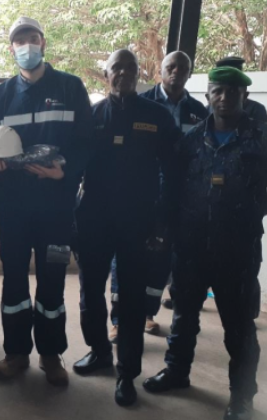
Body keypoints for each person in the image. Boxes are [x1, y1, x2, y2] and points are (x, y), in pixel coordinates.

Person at [143, 66, 265, 420]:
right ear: (208, 95)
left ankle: (241, 398)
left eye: (232, 92)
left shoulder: (260, 139)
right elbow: (172, 187)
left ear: (244, 96)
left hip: (237, 249)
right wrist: (164, 228)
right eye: (217, 91)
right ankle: (177, 371)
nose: (224, 98)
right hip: (191, 245)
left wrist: (251, 211)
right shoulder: (192, 139)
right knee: (183, 316)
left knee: (238, 328)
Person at [0, 16, 93, 386]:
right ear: (11, 48)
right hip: (13, 208)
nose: (26, 46)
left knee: (52, 282)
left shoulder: (70, 87)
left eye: (32, 38)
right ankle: (16, 353)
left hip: (56, 209)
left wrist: (66, 172)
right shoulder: (1, 96)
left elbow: (86, 141)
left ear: (43, 43)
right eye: (20, 41)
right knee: (14, 282)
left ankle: (50, 353)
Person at [72, 49, 178, 407]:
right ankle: (99, 351)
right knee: (90, 291)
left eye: (131, 68)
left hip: (138, 221)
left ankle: (127, 373)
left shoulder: (157, 116)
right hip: (94, 219)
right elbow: (74, 166)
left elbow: (173, 171)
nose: (124, 73)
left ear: (138, 74)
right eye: (117, 67)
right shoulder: (91, 115)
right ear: (106, 74)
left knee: (132, 299)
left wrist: (163, 220)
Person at [105, 51, 209, 336]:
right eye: (170, 67)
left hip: (179, 194)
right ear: (159, 71)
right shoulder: (142, 104)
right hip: (141, 193)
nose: (176, 72)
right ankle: (118, 320)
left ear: (190, 73)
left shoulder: (199, 112)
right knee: (124, 257)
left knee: (162, 256)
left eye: (183, 68)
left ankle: (147, 314)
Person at [215, 56, 267, 124]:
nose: (224, 97)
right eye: (219, 91)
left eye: (232, 91)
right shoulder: (210, 108)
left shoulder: (256, 109)